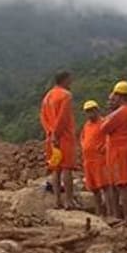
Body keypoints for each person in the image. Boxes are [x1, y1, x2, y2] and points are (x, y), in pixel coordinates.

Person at [101, 80, 127, 225]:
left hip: (120, 151)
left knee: (123, 185)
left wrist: (109, 115)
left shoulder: (121, 112)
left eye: (115, 96)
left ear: (120, 96)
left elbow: (104, 128)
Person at [39, 70, 78, 209]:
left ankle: (57, 201)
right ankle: (69, 201)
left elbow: (43, 117)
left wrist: (50, 132)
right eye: (70, 79)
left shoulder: (47, 97)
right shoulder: (66, 95)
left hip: (50, 137)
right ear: (65, 80)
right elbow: (63, 117)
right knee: (67, 168)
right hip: (64, 137)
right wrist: (57, 134)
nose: (71, 82)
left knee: (56, 169)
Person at [79, 100, 109, 217]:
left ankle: (110, 211)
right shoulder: (86, 125)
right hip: (88, 160)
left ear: (97, 110)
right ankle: (99, 211)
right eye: (87, 111)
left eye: (92, 110)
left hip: (100, 160)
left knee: (105, 186)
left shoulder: (104, 122)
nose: (90, 113)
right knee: (94, 188)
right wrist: (83, 146)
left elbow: (110, 137)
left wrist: (105, 146)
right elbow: (82, 137)